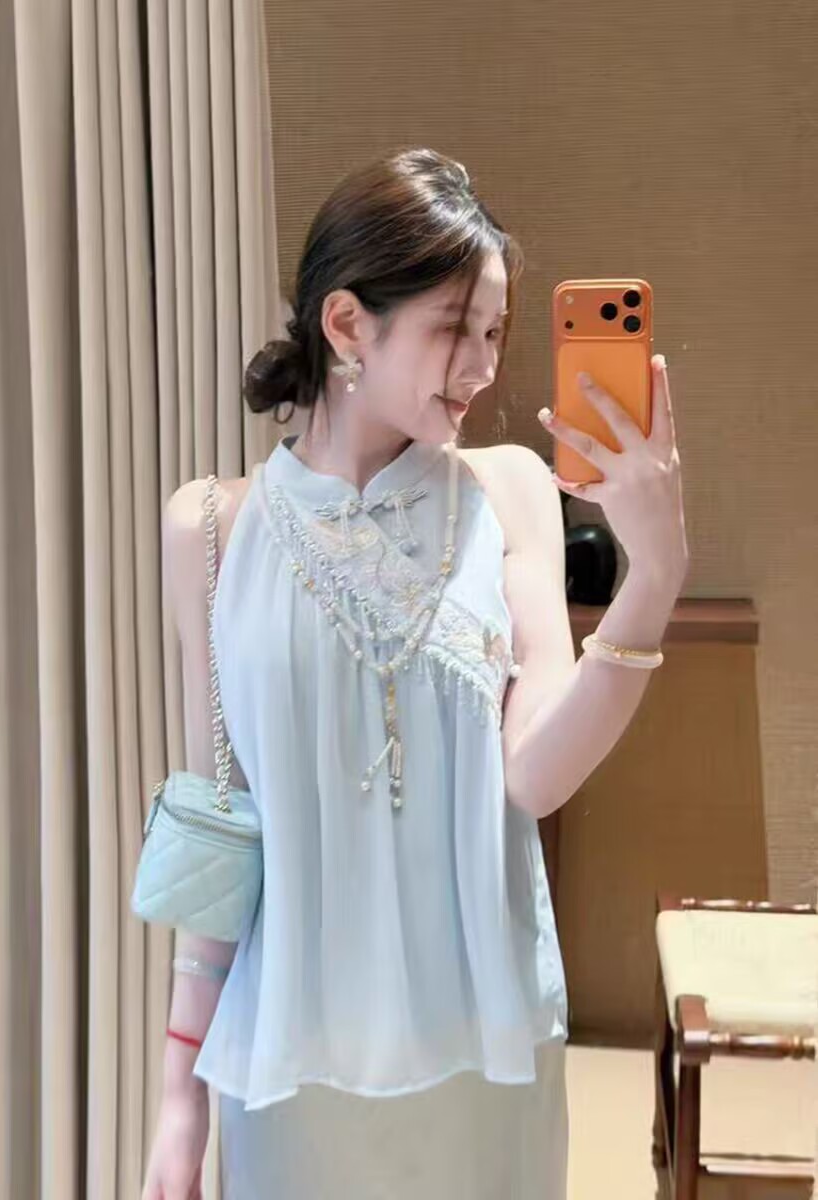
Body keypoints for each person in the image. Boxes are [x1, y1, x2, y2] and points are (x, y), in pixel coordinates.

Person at [142, 146, 688, 1200]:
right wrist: (179, 1093)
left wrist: (654, 576)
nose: (482, 367)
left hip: (482, 1052)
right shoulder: (208, 528)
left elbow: (534, 776)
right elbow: (221, 821)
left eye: (494, 332)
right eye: (453, 329)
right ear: (349, 325)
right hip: (289, 1060)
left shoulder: (510, 491)